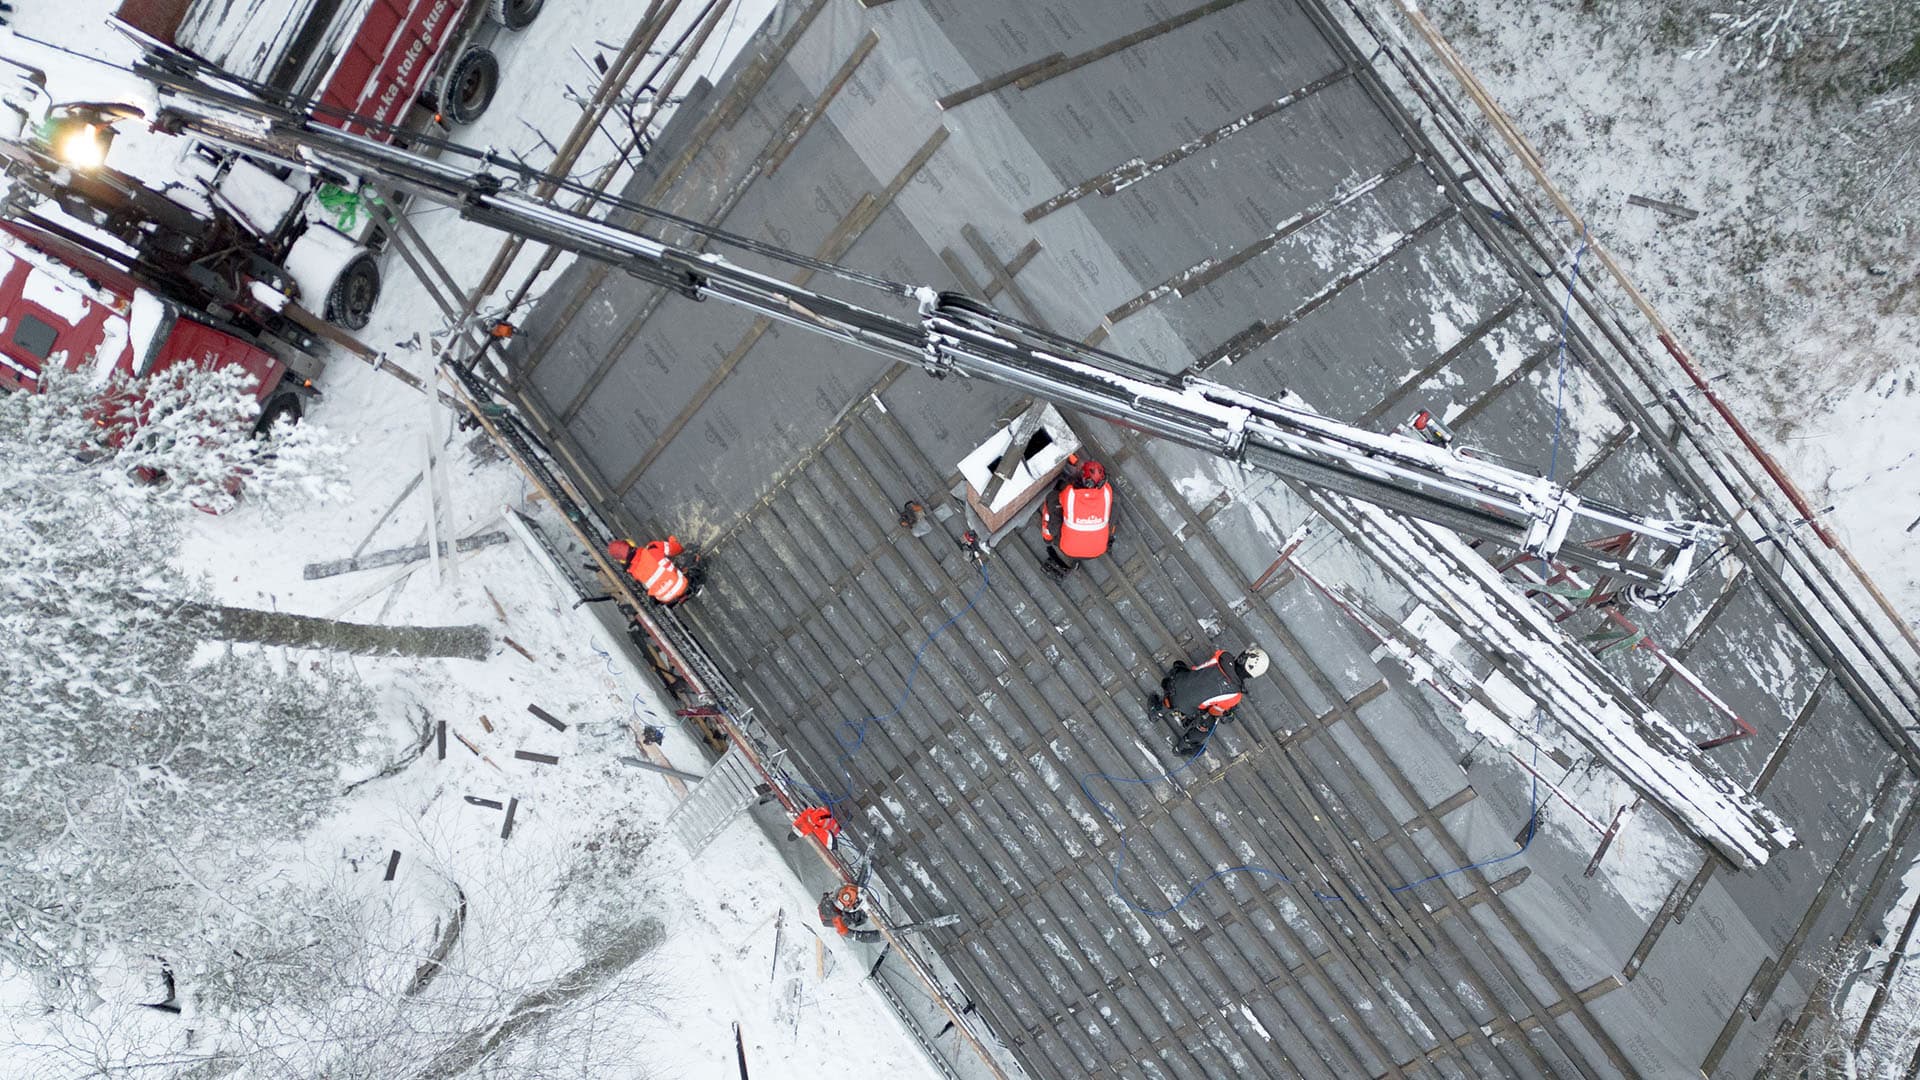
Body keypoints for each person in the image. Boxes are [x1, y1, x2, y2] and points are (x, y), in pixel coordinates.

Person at [1153, 646, 1270, 756]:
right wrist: (1226, 713)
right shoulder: (1235, 695)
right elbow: (1214, 711)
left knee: (1181, 672)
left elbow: (1198, 669)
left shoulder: (1222, 656)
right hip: (1186, 707)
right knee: (1209, 722)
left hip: (1175, 684)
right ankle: (1183, 747)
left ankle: (1157, 712)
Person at [1039, 456, 1114, 578]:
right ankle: (1110, 538)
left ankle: (1047, 536)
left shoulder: (1070, 494)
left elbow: (1066, 489)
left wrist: (1073, 459)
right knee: (1115, 504)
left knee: (1053, 498)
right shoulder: (1107, 491)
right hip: (1097, 550)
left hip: (1068, 548)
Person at [607, 536, 699, 605]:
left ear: (622, 560)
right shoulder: (652, 548)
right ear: (630, 543)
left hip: (667, 600)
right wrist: (672, 540)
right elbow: (678, 549)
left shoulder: (633, 573)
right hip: (683, 584)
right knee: (691, 555)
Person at [818, 883, 883, 943]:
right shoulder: (839, 921)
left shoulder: (835, 902)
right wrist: (877, 937)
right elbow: (855, 936)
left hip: (830, 906)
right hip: (830, 913)